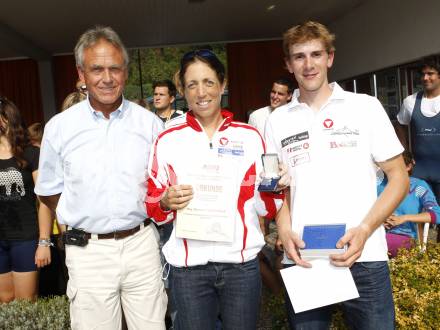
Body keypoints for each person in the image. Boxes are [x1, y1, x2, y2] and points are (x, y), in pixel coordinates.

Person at [265, 21, 409, 329]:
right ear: (289, 64)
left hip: (363, 253)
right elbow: (278, 188)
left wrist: (366, 229)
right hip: (305, 257)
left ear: (330, 57)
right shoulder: (277, 120)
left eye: (316, 54)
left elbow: (399, 178)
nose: (309, 64)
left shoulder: (365, 107)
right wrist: (284, 230)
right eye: (299, 56)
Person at [35, 26, 166, 330]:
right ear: (81, 73)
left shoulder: (149, 125)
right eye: (97, 69)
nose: (107, 78)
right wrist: (84, 215)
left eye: (115, 69)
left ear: (126, 72)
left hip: (142, 245)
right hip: (88, 253)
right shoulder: (60, 127)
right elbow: (48, 192)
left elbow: (162, 184)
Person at [147, 49, 287, 330]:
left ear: (222, 85)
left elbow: (266, 206)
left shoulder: (249, 137)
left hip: (241, 267)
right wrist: (164, 202)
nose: (201, 92)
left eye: (209, 82)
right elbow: (152, 204)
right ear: (183, 91)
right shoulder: (167, 140)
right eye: (192, 84)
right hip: (189, 271)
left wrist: (275, 185)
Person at [0, 97, 52, 303]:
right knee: (4, 301)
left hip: (25, 237)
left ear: (7, 119)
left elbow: (44, 201)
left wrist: (44, 241)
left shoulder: (31, 153)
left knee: (26, 302)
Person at [396, 55, 440, 242]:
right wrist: (404, 152)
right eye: (423, 74)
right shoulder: (410, 101)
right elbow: (399, 125)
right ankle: (419, 256)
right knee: (417, 215)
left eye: (430, 74)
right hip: (419, 170)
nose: (425, 78)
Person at [378, 150, 440, 257]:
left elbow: (437, 215)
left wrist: (404, 218)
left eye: (396, 167)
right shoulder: (378, 185)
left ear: (408, 166)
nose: (390, 170)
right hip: (375, 235)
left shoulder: (418, 187)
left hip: (404, 237)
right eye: (388, 166)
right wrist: (378, 222)